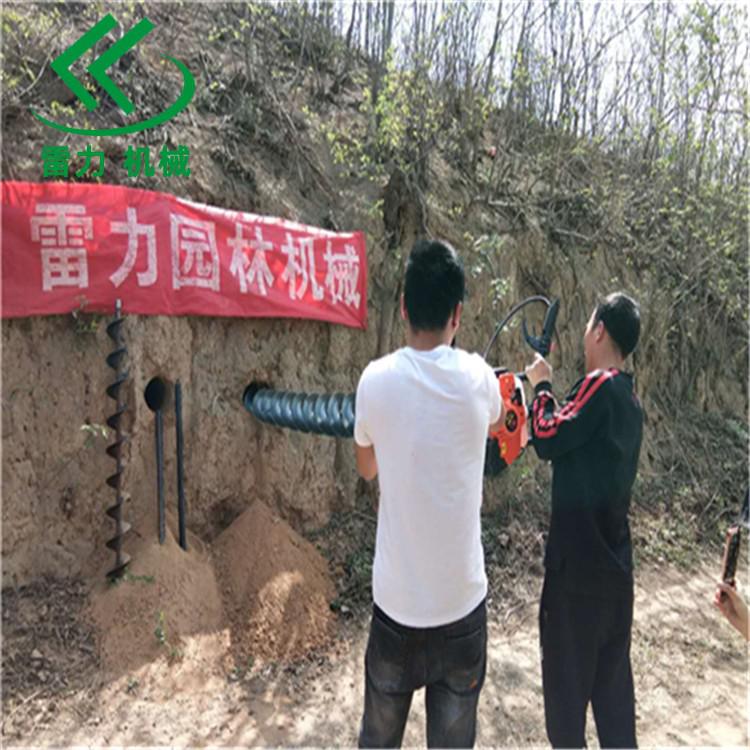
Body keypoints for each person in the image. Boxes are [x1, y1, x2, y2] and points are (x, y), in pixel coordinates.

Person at [353, 238, 503, 748]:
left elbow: (366, 469)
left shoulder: (374, 380)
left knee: (378, 740)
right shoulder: (480, 378)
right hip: (462, 608)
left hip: (396, 608)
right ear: (457, 313)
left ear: (403, 306)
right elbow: (498, 422)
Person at [524, 292, 643, 749]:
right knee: (615, 711)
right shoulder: (630, 399)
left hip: (576, 584)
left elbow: (548, 434)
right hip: (615, 578)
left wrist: (541, 385)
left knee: (566, 715)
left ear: (599, 331)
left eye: (589, 321)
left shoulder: (600, 385)